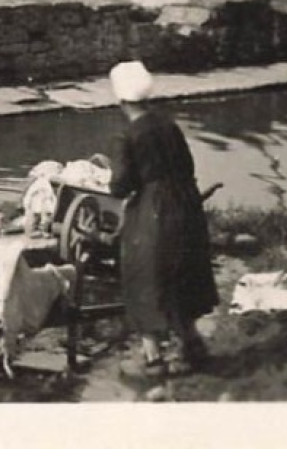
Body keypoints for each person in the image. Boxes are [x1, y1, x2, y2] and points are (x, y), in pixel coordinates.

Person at [106, 61, 218, 378]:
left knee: (143, 276)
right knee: (183, 272)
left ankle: (153, 358)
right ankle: (192, 345)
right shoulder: (170, 126)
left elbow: (120, 186)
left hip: (152, 212)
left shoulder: (125, 136)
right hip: (185, 205)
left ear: (120, 101)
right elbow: (188, 166)